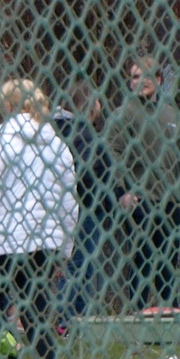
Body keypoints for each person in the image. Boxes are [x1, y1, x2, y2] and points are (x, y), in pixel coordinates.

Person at [0, 80, 77, 359]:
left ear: (8, 105)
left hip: (6, 240)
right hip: (44, 242)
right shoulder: (57, 144)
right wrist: (64, 246)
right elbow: (69, 199)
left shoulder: (1, 140)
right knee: (38, 316)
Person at [102, 52, 180, 312]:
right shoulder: (122, 115)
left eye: (146, 76)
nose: (140, 81)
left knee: (168, 266)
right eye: (134, 77)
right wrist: (123, 191)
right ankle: (137, 317)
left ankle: (171, 316)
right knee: (141, 265)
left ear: (159, 79)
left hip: (171, 203)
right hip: (141, 202)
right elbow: (111, 155)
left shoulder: (171, 115)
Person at [50, 80, 117, 327]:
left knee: (76, 264)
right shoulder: (83, 133)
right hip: (86, 207)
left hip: (63, 206)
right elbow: (90, 172)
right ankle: (68, 319)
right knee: (80, 265)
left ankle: (75, 319)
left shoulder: (55, 130)